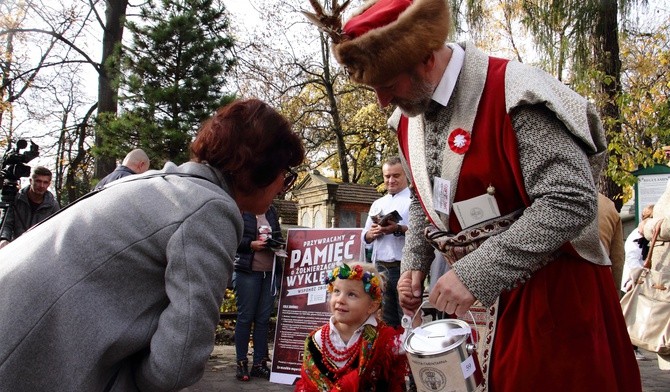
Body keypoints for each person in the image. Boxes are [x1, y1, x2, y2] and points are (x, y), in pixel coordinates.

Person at [303, 0, 641, 390]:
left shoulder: (515, 93)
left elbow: (571, 200)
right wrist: (415, 260)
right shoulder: (408, 116)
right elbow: (424, 196)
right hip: (469, 309)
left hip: (550, 307)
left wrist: (475, 273)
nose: (381, 101)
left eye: (388, 85)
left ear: (426, 58)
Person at [0, 98, 305, 391]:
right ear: (259, 168)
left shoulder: (158, 185)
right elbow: (177, 366)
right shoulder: (210, 209)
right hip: (24, 358)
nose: (282, 185)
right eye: (285, 175)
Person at [295, 262, 414, 392]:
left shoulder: (384, 340)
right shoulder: (316, 340)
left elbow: (414, 346)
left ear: (372, 306)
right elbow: (309, 385)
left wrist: (411, 313)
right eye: (336, 291)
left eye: (351, 294)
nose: (340, 299)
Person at [233, 204, 287, 381]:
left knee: (263, 320)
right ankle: (241, 363)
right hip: (247, 272)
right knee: (245, 317)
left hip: (270, 273)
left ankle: (259, 364)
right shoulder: (241, 209)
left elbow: (278, 236)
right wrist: (251, 244)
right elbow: (232, 238)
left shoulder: (271, 211)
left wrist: (278, 245)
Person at [362, 156, 410, 327]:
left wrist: (398, 229)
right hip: (380, 266)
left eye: (396, 175)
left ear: (406, 174)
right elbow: (365, 235)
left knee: (406, 316)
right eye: (387, 176)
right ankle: (390, 351)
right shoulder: (378, 203)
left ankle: (406, 352)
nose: (391, 180)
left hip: (404, 266)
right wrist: (372, 233)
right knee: (385, 318)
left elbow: (422, 235)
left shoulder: (414, 201)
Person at [0, 165, 60, 249]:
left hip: (39, 250)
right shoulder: (15, 199)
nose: (42, 185)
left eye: (45, 182)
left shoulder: (53, 205)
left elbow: (56, 231)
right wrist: (4, 239)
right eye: (38, 181)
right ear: (31, 181)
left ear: (49, 184)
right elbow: (7, 224)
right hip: (15, 248)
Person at [622, 204, 653, 361]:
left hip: (643, 280)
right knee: (633, 315)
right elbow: (632, 259)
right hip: (634, 281)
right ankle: (631, 347)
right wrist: (639, 276)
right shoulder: (637, 235)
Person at [598, 192, 625, 293]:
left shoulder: (550, 198)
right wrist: (615, 291)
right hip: (600, 280)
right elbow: (617, 258)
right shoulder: (607, 205)